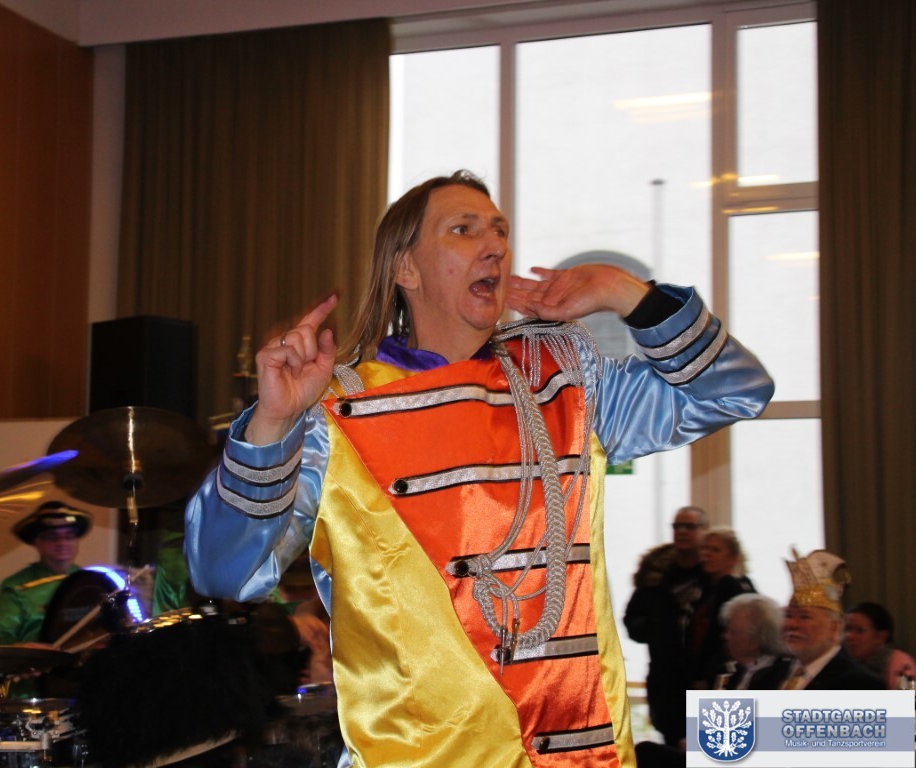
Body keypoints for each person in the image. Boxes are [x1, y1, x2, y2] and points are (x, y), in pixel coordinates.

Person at [185, 170, 774, 767]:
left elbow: (736, 391)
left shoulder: (567, 385)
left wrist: (626, 293)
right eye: (463, 230)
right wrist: (272, 422)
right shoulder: (337, 412)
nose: (493, 245)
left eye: (499, 231)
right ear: (405, 268)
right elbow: (224, 574)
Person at [623, 505, 706, 746]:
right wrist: (660, 627)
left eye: (690, 526)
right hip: (666, 677)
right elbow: (633, 622)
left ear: (704, 530)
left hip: (705, 677)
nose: (682, 531)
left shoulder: (714, 574)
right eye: (677, 526)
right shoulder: (656, 576)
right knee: (671, 742)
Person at [0, 501, 93, 646]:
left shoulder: (90, 582)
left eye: (69, 536)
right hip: (35, 660)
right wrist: (24, 648)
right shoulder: (16, 587)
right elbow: (0, 638)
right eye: (52, 537)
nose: (62, 543)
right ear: (37, 542)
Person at [780, 549, 884, 690]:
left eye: (805, 617)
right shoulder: (767, 676)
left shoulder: (860, 684)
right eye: (788, 615)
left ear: (834, 627)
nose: (792, 624)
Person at [686, 527, 755, 689]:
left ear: (732, 558)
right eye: (705, 549)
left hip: (720, 671)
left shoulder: (731, 586)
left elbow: (715, 633)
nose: (707, 554)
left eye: (715, 550)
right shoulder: (706, 588)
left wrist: (702, 673)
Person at [715, 593, 792, 690]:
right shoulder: (727, 671)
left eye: (733, 632)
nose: (726, 636)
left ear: (754, 642)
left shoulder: (783, 676)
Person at [844, 600, 916, 689]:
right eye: (847, 629)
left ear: (880, 637)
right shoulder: (847, 663)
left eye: (859, 631)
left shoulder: (901, 664)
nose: (849, 636)